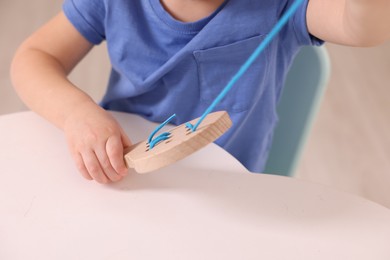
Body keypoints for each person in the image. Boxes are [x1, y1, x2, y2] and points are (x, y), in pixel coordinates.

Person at [10, 0, 390, 184]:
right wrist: (77, 113)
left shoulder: (278, 6)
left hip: (223, 192)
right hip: (123, 174)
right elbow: (33, 57)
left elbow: (361, 27)